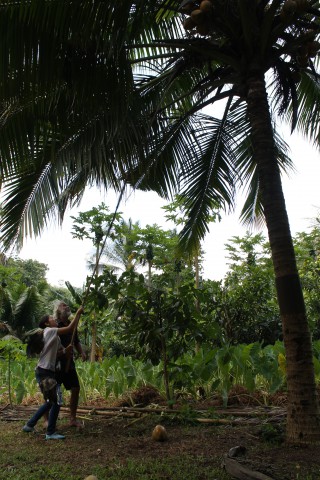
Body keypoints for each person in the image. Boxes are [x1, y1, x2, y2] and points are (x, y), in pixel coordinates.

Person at [22, 306, 84, 440]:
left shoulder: (56, 338)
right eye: (51, 318)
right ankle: (50, 432)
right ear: (46, 323)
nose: (53, 319)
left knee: (51, 402)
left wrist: (66, 351)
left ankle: (29, 425)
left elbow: (58, 353)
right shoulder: (49, 331)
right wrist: (78, 314)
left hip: (47, 371)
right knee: (56, 401)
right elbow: (69, 329)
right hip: (44, 371)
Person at [54, 301, 86, 427]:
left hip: (69, 362)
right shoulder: (56, 325)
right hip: (57, 363)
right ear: (58, 310)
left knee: (75, 388)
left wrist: (82, 352)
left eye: (67, 304)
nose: (66, 306)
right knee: (52, 391)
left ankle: (72, 418)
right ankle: (47, 419)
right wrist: (62, 352)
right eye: (63, 305)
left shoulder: (71, 324)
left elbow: (76, 340)